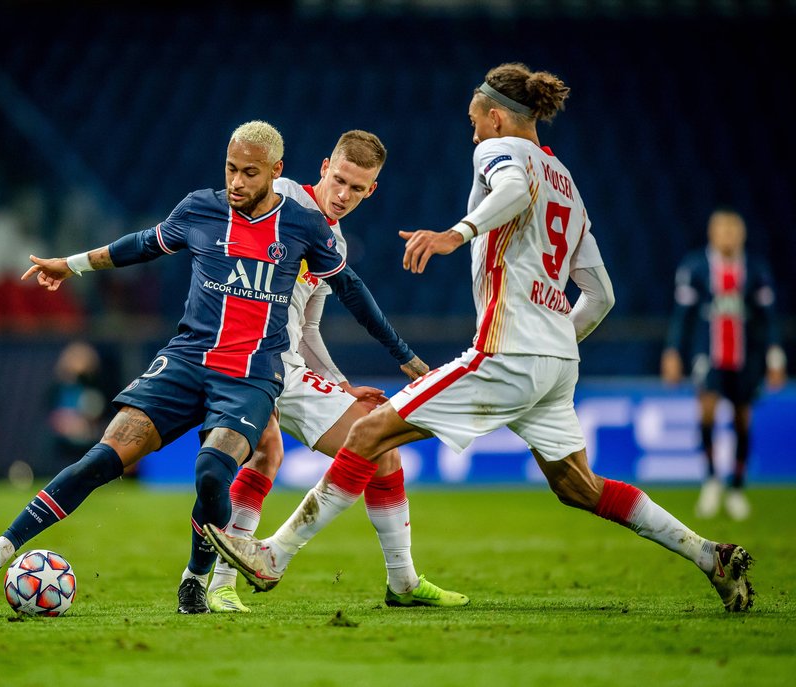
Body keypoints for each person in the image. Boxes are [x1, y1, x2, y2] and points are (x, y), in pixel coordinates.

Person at [205, 63, 756, 613]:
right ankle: (710, 555)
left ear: (495, 117)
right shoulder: (566, 184)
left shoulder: (501, 152)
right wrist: (555, 341)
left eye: (474, 121)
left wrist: (456, 233)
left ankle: (275, 554)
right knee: (578, 486)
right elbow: (602, 295)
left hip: (506, 349)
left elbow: (511, 188)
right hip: (557, 359)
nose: (471, 132)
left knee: (372, 433)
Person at [0, 121, 428, 614]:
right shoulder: (201, 206)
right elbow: (140, 245)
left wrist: (401, 357)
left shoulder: (307, 228)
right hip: (185, 361)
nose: (237, 182)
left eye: (249, 173)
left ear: (275, 173)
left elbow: (349, 295)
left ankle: (198, 580)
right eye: (231, 169)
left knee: (211, 472)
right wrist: (70, 264)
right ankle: (0, 548)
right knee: (104, 458)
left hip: (250, 375)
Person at [204, 130, 466, 613]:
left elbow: (306, 325)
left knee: (379, 444)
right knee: (267, 453)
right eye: (340, 180)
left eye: (358, 188)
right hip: (249, 358)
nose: (344, 195)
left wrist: (339, 382)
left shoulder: (334, 240)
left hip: (288, 365)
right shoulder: (281, 199)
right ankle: (221, 581)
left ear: (372, 191)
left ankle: (403, 581)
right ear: (324, 167)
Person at [661, 208, 787, 521]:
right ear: (712, 233)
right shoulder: (695, 267)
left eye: (734, 229)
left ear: (741, 234)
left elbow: (769, 318)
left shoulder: (755, 270)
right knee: (706, 409)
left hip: (746, 356)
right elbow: (683, 316)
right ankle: (712, 479)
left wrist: (775, 355)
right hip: (708, 353)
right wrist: (673, 351)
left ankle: (737, 487)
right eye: (723, 229)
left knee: (743, 419)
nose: (728, 235)